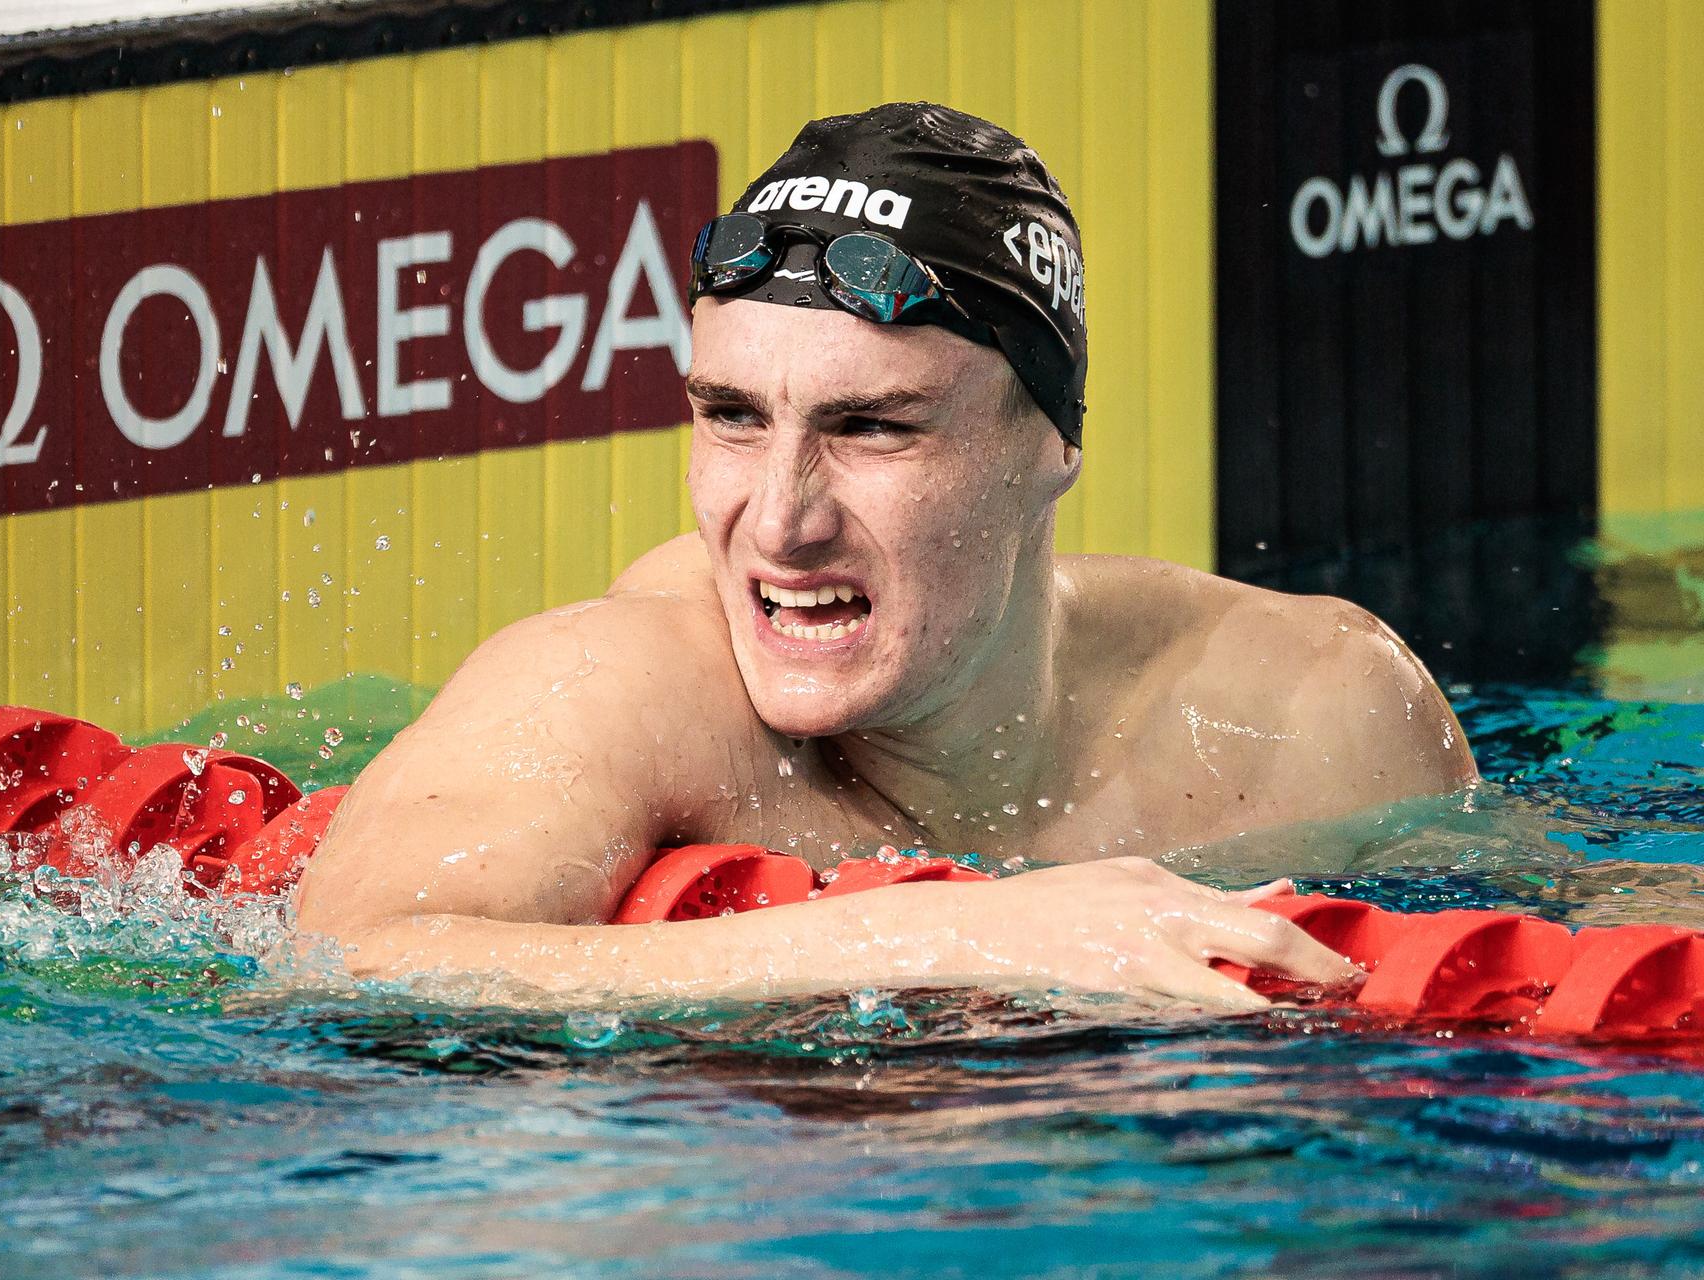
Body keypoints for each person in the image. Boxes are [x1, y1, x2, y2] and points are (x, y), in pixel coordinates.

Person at [294, 103, 1477, 1007]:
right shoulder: (622, 688)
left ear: (1052, 445)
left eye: (871, 427)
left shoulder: (1319, 712)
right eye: (732, 416)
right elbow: (351, 960)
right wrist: (965, 931)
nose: (779, 521)